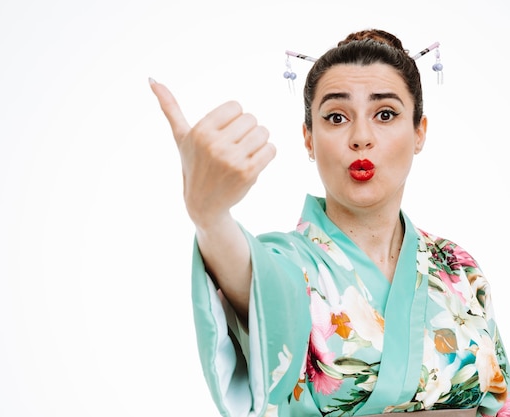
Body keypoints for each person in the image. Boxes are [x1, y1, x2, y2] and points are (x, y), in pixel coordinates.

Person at [150, 29, 509, 417]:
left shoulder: (456, 264)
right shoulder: (289, 263)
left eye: (385, 114)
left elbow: (500, 397)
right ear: (308, 139)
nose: (360, 137)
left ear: (419, 131)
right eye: (336, 117)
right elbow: (256, 282)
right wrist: (210, 216)